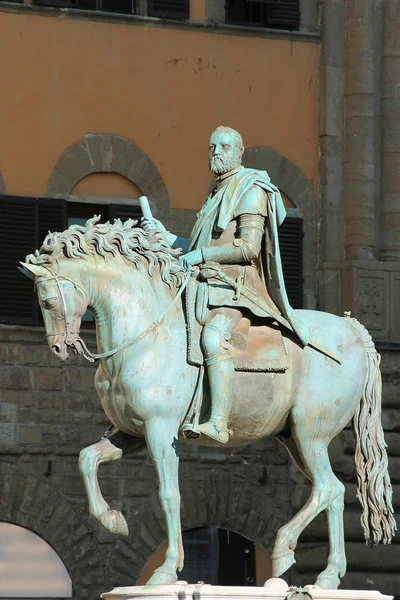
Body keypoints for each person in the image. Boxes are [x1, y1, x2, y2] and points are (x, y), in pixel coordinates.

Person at [142, 126, 308, 444]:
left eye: (224, 147)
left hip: (237, 291)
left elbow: (247, 247)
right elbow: (195, 246)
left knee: (213, 336)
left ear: (238, 152)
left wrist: (201, 254)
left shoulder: (251, 189)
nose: (216, 152)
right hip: (206, 285)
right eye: (212, 147)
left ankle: (218, 421)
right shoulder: (217, 191)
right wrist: (163, 235)